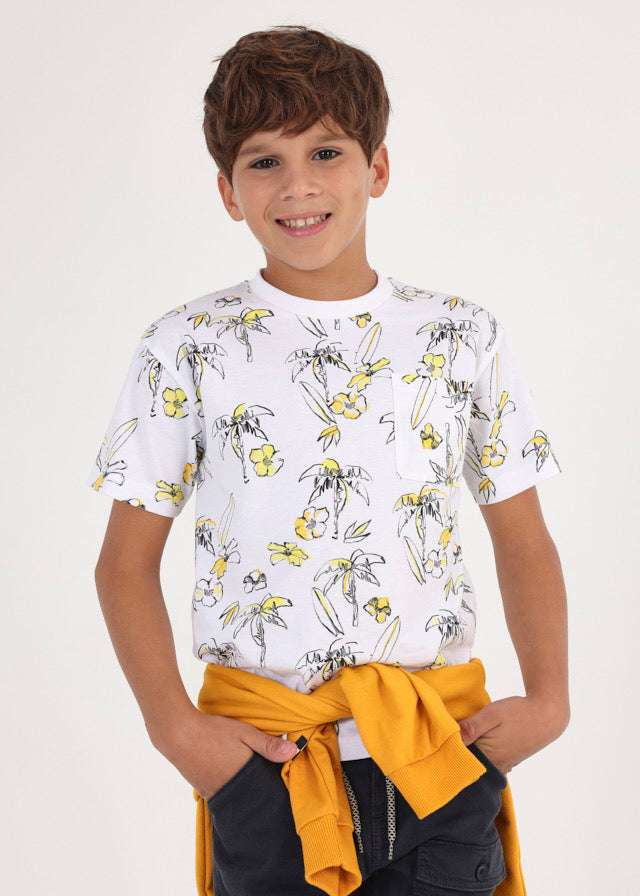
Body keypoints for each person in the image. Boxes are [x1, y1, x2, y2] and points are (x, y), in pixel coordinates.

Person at [89, 25, 569, 896]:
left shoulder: (460, 335)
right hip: (269, 763)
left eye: (325, 151)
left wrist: (549, 700)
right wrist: (175, 730)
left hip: (438, 750)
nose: (298, 185)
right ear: (228, 192)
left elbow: (523, 536)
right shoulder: (185, 346)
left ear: (376, 168)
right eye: (263, 161)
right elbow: (124, 563)